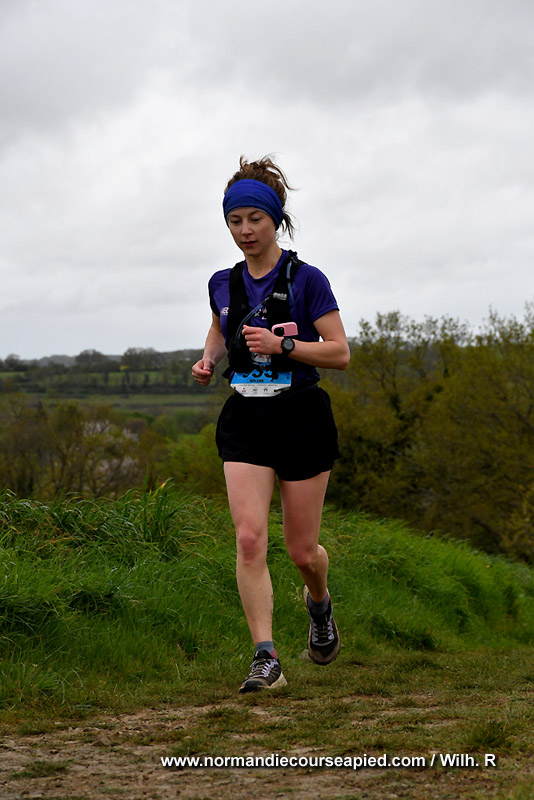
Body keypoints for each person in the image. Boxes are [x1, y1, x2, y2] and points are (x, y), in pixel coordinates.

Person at [192, 155, 350, 693]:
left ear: (275, 219)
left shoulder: (308, 280)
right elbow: (220, 329)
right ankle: (266, 657)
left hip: (301, 415)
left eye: (254, 219)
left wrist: (285, 346)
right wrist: (209, 359)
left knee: (303, 551)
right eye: (234, 221)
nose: (245, 230)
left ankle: (319, 603)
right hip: (245, 416)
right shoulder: (222, 283)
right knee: (248, 539)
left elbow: (339, 352)